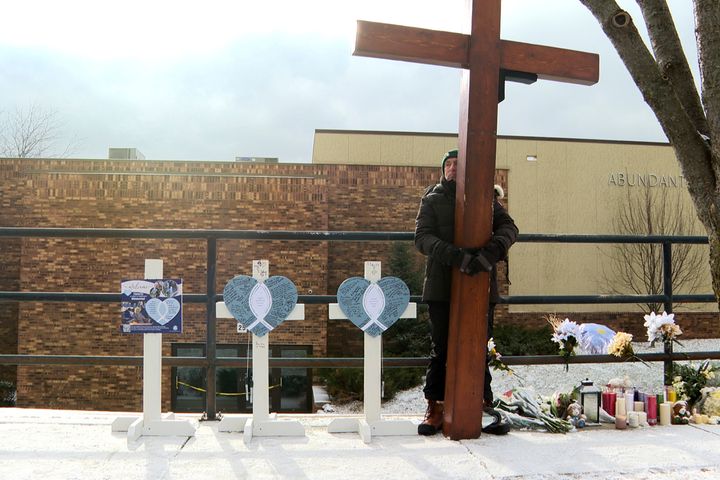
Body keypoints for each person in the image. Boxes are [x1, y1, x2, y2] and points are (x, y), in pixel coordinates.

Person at [414, 148, 518, 436]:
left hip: (480, 286)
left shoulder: (486, 198)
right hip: (441, 285)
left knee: (479, 346)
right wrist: (456, 256)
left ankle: (482, 406)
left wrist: (489, 255)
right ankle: (435, 407)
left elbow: (509, 228)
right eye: (448, 164)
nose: (452, 168)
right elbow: (422, 238)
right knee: (441, 347)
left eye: (458, 164)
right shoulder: (432, 199)